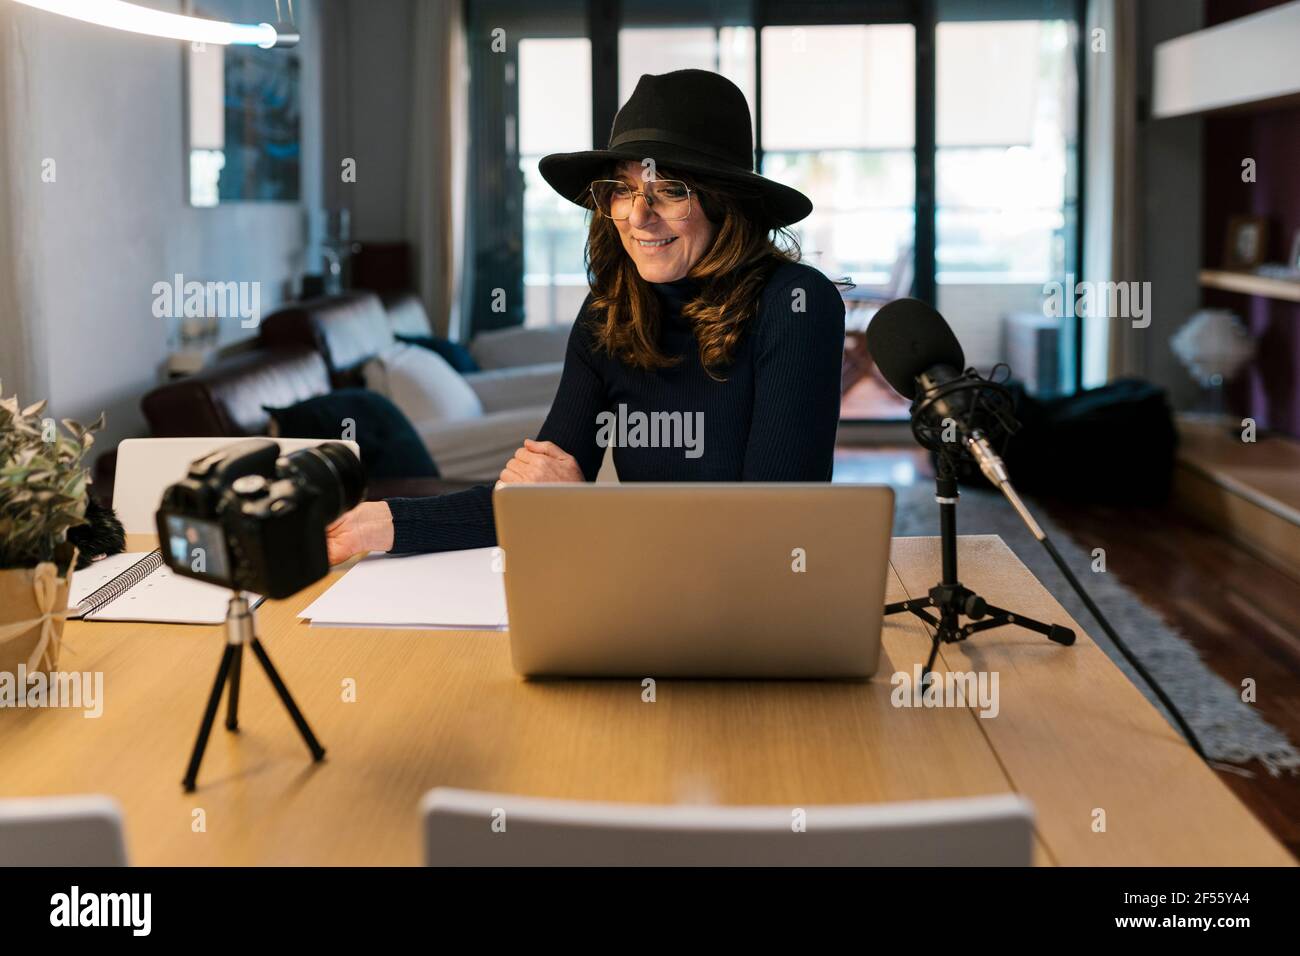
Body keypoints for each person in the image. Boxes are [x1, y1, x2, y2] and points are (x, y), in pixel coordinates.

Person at [326, 69, 845, 563]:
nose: (638, 217)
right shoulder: (611, 312)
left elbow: (778, 529)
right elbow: (536, 492)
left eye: (668, 191)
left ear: (725, 202)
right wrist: (377, 524)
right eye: (622, 189)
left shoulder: (797, 305)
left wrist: (587, 510)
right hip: (646, 595)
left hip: (752, 614)